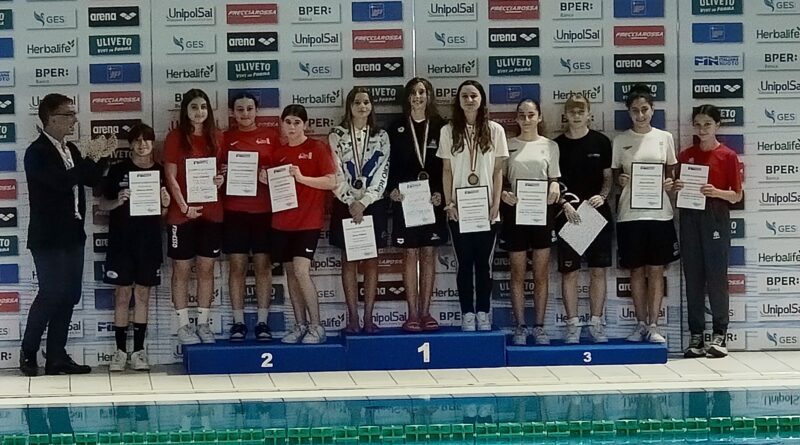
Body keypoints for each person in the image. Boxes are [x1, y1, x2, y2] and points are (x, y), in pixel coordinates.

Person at [20, 93, 107, 376]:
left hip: (73, 235)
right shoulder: (36, 152)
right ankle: (28, 350)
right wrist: (86, 162)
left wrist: (102, 157)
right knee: (51, 293)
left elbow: (91, 179)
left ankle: (57, 356)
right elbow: (60, 182)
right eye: (69, 114)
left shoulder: (71, 149)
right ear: (52, 118)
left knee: (69, 295)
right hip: (48, 238)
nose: (74, 119)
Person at [437, 80, 508, 331]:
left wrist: (495, 204)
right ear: (458, 100)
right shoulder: (448, 131)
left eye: (473, 96)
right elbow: (447, 170)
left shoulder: (495, 130)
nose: (469, 100)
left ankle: (483, 313)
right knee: (464, 264)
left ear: (481, 100)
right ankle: (467, 312)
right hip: (460, 210)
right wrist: (449, 203)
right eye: (464, 96)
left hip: (487, 210)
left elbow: (498, 171)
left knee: (484, 265)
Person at [612, 84, 679, 344]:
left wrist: (669, 182)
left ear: (652, 110)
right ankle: (640, 324)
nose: (640, 115)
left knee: (656, 271)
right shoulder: (620, 140)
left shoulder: (665, 138)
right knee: (636, 272)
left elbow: (671, 172)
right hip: (630, 216)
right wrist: (620, 180)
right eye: (635, 110)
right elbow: (615, 176)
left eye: (644, 109)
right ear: (629, 112)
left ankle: (654, 325)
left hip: (659, 215)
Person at [675, 105, 742, 358]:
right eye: (698, 124)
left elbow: (736, 195)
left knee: (716, 277)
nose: (702, 129)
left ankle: (719, 334)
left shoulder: (728, 156)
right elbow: (679, 188)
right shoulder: (685, 155)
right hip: (690, 217)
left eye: (707, 124)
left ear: (717, 126)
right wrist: (677, 186)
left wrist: (716, 192)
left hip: (715, 217)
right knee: (693, 277)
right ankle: (696, 335)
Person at [100, 124, 168, 371]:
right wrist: (117, 201)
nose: (142, 145)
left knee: (142, 295)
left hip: (148, 242)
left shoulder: (160, 171)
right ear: (130, 144)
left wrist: (166, 205)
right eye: (137, 140)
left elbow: (163, 214)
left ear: (153, 143)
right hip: (121, 241)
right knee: (122, 295)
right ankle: (119, 352)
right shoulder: (118, 170)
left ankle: (138, 351)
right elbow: (102, 205)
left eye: (146, 140)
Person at [269, 105, 336, 344]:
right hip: (282, 222)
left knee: (301, 271)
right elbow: (274, 184)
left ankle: (317, 326)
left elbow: (331, 182)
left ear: (305, 124)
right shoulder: (278, 153)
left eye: (297, 122)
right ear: (282, 124)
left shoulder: (317, 148)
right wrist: (264, 178)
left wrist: (302, 178)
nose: (292, 127)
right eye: (288, 122)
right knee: (291, 274)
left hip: (308, 222)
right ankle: (300, 325)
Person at [387, 77, 448, 332]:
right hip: (406, 202)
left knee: (429, 253)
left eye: (422, 92)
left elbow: (447, 167)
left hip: (432, 201)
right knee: (410, 254)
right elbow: (388, 166)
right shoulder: (396, 127)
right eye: (413, 92)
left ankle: (426, 312)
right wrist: (391, 190)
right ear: (407, 98)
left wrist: (442, 194)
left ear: (429, 95)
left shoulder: (442, 127)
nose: (418, 96)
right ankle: (411, 313)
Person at [164, 89, 225, 345]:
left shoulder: (217, 136)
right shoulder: (175, 137)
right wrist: (184, 206)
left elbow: (221, 171)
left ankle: (203, 324)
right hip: (181, 215)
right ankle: (182, 325)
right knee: (181, 269)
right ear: (185, 110)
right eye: (193, 107)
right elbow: (170, 177)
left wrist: (220, 179)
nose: (199, 112)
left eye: (203, 106)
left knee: (206, 269)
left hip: (212, 213)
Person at [329, 87, 390, 334]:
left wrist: (364, 202)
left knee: (371, 259)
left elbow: (383, 172)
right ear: (349, 106)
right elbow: (334, 171)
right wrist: (350, 201)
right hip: (345, 203)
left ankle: (369, 317)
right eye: (357, 102)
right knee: (349, 259)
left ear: (372, 106)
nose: (362, 106)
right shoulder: (336, 135)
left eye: (366, 102)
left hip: (372, 204)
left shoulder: (381, 136)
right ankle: (353, 318)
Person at [500, 99, 560, 345]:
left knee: (541, 273)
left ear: (539, 117)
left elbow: (554, 178)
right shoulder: (508, 145)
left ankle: (540, 326)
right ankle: (520, 327)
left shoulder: (550, 146)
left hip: (541, 214)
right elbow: (500, 180)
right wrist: (503, 193)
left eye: (531, 114)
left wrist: (554, 185)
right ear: (516, 118)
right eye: (522, 115)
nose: (526, 119)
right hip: (515, 215)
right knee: (517, 272)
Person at [555, 95, 613, 344]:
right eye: (572, 111)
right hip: (569, 216)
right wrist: (564, 203)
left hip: (596, 215)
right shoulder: (556, 145)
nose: (576, 115)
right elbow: (553, 182)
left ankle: (596, 323)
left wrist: (603, 195)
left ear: (589, 114)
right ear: (565, 115)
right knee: (570, 273)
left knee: (598, 271)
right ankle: (572, 326)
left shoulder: (602, 142)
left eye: (581, 111)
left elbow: (608, 177)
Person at [220, 92, 277, 342]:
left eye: (249, 108)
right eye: (240, 109)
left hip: (264, 211)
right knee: (237, 267)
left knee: (263, 266)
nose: (245, 113)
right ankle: (238, 322)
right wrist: (222, 172)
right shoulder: (225, 138)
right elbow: (214, 172)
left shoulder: (272, 136)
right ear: (232, 112)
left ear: (257, 110)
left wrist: (268, 173)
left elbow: (281, 168)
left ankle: (263, 322)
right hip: (235, 211)